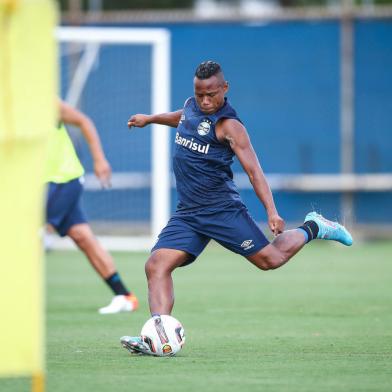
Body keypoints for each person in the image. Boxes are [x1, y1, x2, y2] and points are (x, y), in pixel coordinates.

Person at [120, 61, 352, 354]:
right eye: (200, 93)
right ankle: (158, 334)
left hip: (222, 210)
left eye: (211, 94)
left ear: (225, 89)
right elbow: (183, 118)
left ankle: (315, 226)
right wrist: (151, 119)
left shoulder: (230, 126)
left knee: (271, 259)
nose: (205, 100)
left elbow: (255, 172)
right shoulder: (192, 106)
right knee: (156, 265)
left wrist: (271, 211)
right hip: (189, 213)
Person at [45, 99, 138, 314]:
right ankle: (124, 296)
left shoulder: (47, 104)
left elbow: (84, 121)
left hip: (64, 180)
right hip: (39, 185)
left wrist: (99, 160)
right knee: (82, 236)